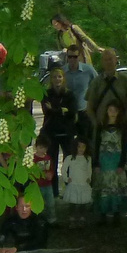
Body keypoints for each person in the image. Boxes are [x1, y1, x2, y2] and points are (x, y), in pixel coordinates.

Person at [39, 66, 78, 195]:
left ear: (63, 78)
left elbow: (72, 112)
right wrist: (62, 110)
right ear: (51, 79)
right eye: (55, 77)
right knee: (52, 163)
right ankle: (54, 192)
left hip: (67, 132)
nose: (57, 79)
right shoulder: (46, 94)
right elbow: (46, 111)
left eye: (60, 76)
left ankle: (69, 190)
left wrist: (55, 110)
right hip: (51, 132)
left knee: (68, 162)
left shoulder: (69, 94)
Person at [92, 103, 127, 221]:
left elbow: (124, 146)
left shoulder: (122, 127)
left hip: (116, 159)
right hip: (103, 159)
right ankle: (102, 214)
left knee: (115, 187)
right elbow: (96, 144)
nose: (112, 112)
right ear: (106, 111)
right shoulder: (101, 126)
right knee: (103, 186)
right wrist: (96, 163)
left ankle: (116, 213)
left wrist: (122, 164)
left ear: (118, 112)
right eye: (110, 110)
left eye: (115, 110)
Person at [85, 49, 127, 131]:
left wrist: (124, 120)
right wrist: (96, 124)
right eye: (105, 60)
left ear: (116, 60)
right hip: (101, 128)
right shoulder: (96, 82)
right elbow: (89, 107)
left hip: (121, 127)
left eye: (110, 59)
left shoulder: (125, 80)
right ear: (102, 62)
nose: (108, 62)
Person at [60, 138, 93, 224]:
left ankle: (82, 218)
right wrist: (66, 179)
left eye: (83, 146)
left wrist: (89, 178)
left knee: (83, 202)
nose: (81, 149)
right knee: (73, 203)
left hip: (83, 183)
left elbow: (89, 169)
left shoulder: (88, 158)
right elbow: (63, 169)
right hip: (73, 183)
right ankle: (72, 219)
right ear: (75, 147)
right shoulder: (70, 158)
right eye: (79, 147)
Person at [62, 44, 98, 117]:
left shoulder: (88, 70)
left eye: (75, 57)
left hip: (84, 111)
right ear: (67, 57)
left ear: (79, 57)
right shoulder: (62, 72)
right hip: (67, 112)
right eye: (70, 57)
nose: (72, 59)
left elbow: (98, 84)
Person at [32, 138, 56, 224]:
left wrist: (51, 174)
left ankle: (52, 220)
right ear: (36, 147)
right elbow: (31, 173)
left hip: (48, 185)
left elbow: (52, 169)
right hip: (38, 186)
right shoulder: (33, 159)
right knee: (39, 204)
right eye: (41, 148)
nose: (43, 150)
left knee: (51, 203)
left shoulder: (48, 158)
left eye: (45, 148)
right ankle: (39, 220)